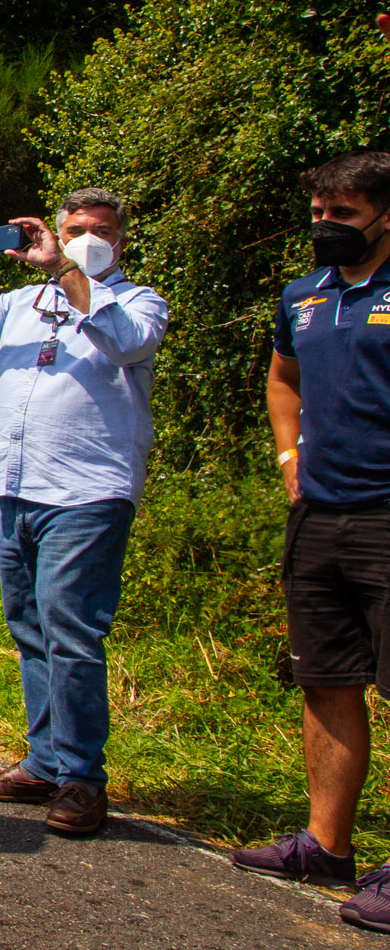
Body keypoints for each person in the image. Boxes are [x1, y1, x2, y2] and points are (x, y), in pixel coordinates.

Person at [0, 187, 168, 836]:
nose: (88, 238)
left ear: (121, 241)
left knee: (71, 629)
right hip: (17, 484)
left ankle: (82, 777)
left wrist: (65, 268)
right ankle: (46, 761)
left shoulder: (138, 301)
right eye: (75, 228)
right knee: (30, 626)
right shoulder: (22, 304)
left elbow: (125, 344)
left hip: (88, 491)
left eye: (100, 230)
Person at [231, 151, 390, 933]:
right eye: (320, 212)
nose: (327, 225)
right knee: (326, 679)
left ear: (385, 215)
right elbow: (282, 378)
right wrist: (288, 457)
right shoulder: (303, 295)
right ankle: (327, 845)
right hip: (319, 515)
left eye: (344, 214)